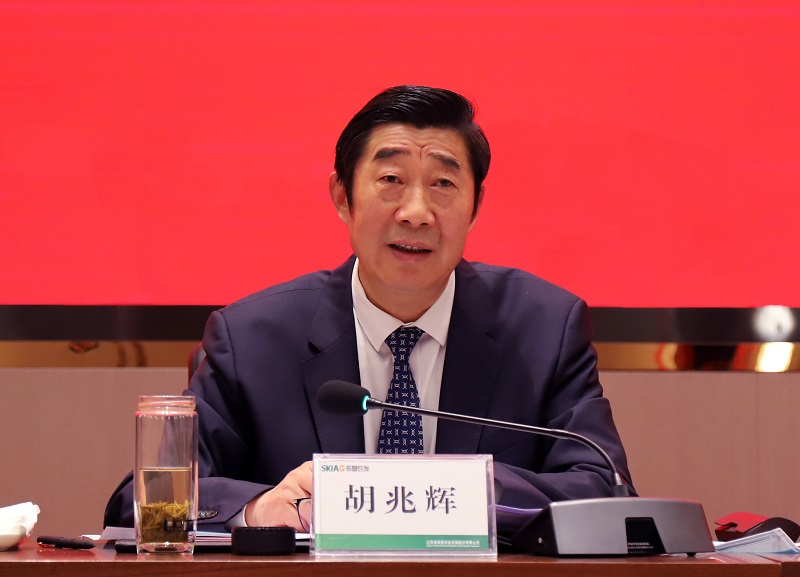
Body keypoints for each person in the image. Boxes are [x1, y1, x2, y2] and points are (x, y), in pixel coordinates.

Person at [105, 85, 634, 533]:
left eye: (444, 184)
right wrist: (257, 509)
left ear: (476, 206)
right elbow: (142, 503)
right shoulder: (251, 338)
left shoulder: (544, 330)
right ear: (342, 196)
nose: (416, 212)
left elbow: (606, 491)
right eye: (391, 180)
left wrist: (453, 492)